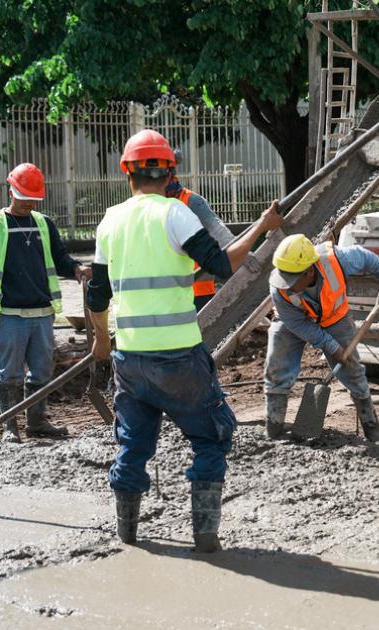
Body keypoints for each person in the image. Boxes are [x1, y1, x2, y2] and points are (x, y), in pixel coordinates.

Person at [87, 129, 282, 550]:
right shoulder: (176, 213)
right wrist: (263, 227)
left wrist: (101, 341)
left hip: (130, 358)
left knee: (133, 444)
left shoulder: (110, 220)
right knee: (211, 437)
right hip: (178, 357)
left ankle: (128, 534)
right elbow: (224, 264)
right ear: (169, 173)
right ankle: (205, 535)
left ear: (127, 172)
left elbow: (96, 296)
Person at [0, 162, 89, 443]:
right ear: (11, 191)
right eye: (24, 197)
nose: (29, 202)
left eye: (33, 198)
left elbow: (60, 259)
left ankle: (36, 422)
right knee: (10, 374)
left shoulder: (44, 224)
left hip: (42, 312)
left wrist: (76, 269)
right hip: (9, 314)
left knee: (42, 372)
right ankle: (10, 427)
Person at [263, 234, 379, 442]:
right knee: (277, 363)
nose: (286, 285)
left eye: (291, 280)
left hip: (335, 318)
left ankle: (371, 426)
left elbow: (367, 258)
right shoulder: (279, 288)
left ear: (309, 271)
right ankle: (274, 428)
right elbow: (298, 325)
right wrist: (331, 346)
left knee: (352, 369)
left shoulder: (336, 260)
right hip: (293, 321)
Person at [164, 157, 233, 311]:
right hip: (168, 292)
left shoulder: (191, 201)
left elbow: (219, 231)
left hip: (198, 290)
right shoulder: (153, 206)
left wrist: (243, 252)